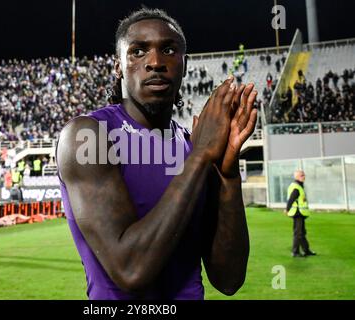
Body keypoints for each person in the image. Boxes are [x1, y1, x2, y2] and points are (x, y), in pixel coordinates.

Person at [56, 8, 258, 300]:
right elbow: (130, 270)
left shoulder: (195, 145)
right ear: (119, 67)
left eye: (168, 49)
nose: (154, 62)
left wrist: (227, 176)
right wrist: (201, 156)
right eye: (138, 51)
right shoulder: (88, 136)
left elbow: (229, 279)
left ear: (184, 65)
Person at [285, 170, 317, 257]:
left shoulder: (299, 186)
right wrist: (287, 209)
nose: (304, 177)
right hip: (298, 213)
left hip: (300, 213)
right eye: (301, 175)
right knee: (298, 233)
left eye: (304, 175)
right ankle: (295, 252)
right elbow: (291, 199)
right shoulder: (296, 187)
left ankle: (306, 250)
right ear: (297, 177)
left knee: (302, 232)